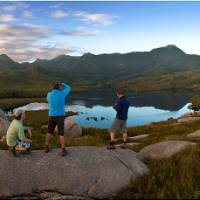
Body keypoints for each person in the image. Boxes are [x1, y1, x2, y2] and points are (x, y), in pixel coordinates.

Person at [45, 82, 71, 156]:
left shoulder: (49, 94)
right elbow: (68, 87)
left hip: (51, 116)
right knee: (61, 133)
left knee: (49, 132)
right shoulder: (62, 94)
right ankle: (63, 150)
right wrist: (62, 84)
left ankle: (46, 147)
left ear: (52, 87)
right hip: (60, 116)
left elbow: (48, 101)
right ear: (59, 87)